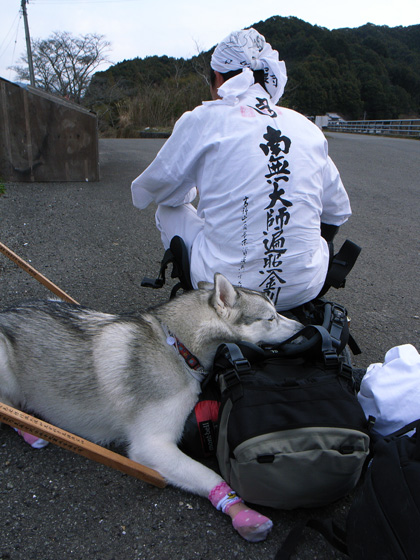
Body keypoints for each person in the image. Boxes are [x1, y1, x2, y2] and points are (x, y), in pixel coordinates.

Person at [131, 28, 351, 311]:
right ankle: (290, 280)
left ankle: (208, 304)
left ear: (219, 78)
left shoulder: (205, 119)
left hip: (227, 291)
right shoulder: (305, 126)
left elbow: (155, 191)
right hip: (306, 287)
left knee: (168, 209)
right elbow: (335, 213)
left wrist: (198, 191)